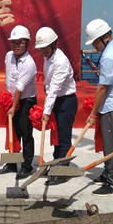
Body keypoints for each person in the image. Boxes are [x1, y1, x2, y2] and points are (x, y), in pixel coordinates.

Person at [84, 19, 113, 197]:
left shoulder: (110, 56)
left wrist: (93, 114)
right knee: (109, 143)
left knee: (112, 146)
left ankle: (112, 182)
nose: (94, 46)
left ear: (105, 38)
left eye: (95, 42)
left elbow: (103, 88)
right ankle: (107, 172)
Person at [35, 27, 78, 186]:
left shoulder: (60, 61)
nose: (43, 52)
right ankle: (55, 165)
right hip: (56, 101)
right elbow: (49, 82)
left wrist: (46, 111)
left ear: (54, 44)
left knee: (64, 137)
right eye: (40, 49)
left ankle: (62, 171)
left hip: (66, 101)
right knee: (56, 137)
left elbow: (55, 88)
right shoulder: (48, 57)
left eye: (45, 48)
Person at [0, 25, 37, 179]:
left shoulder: (29, 64)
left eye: (20, 43)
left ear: (26, 43)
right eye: (13, 42)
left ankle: (26, 166)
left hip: (26, 102)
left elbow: (20, 88)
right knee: (13, 133)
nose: (16, 46)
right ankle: (12, 164)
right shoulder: (9, 56)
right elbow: (9, 74)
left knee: (26, 134)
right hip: (11, 100)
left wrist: (13, 107)